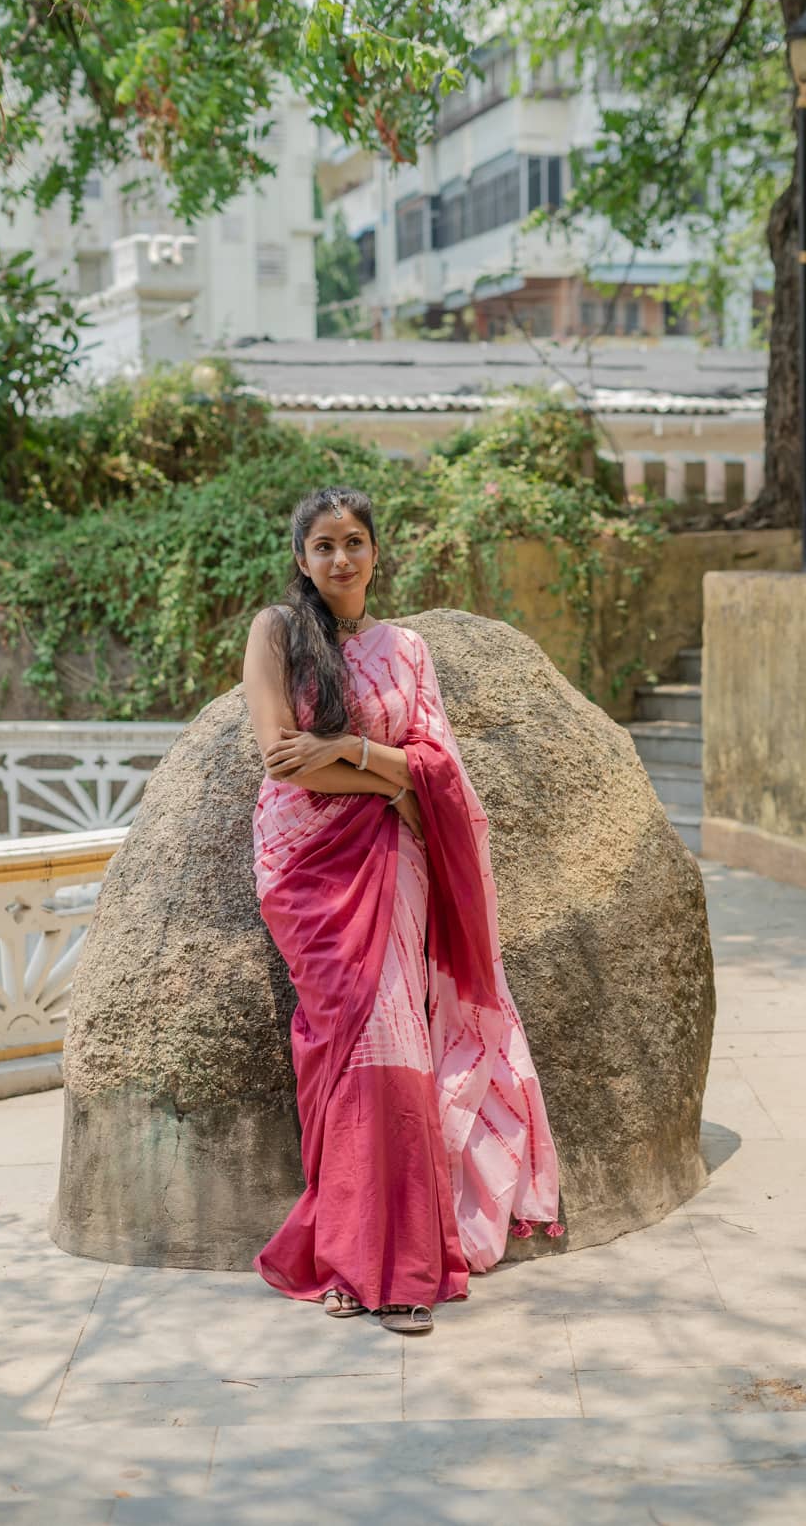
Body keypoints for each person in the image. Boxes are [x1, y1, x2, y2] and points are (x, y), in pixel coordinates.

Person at [242, 485, 562, 1335]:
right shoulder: (277, 633)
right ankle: (349, 1251)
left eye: (354, 542)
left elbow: (435, 773)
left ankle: (400, 1266)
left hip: (396, 862)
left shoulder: (407, 649)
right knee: (340, 1053)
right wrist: (379, 771)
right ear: (301, 559)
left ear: (376, 552)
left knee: (393, 1045)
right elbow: (283, 760)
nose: (340, 559)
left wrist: (346, 747)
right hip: (306, 872)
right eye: (323, 546)